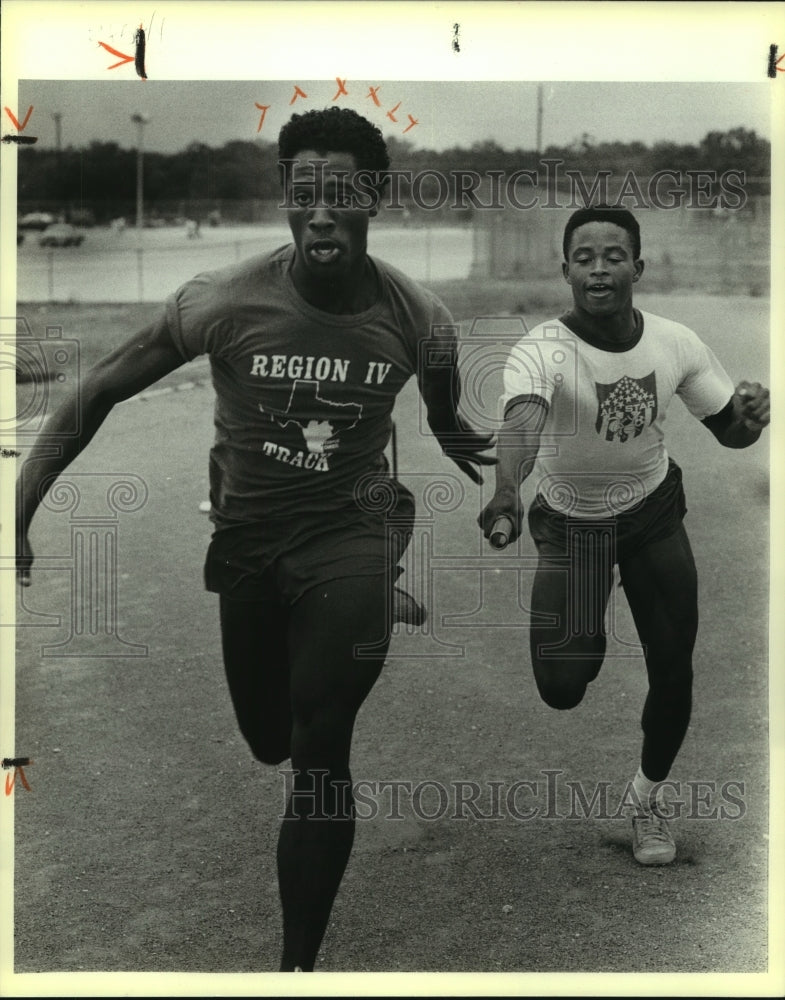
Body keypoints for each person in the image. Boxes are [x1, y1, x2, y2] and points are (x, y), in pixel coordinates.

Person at [16, 106, 494, 970]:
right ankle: (366, 602)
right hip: (247, 541)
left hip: (352, 530)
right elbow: (100, 389)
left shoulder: (417, 317)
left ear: (374, 198)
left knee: (317, 741)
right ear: (284, 195)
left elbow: (443, 412)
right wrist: (23, 495)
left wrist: (477, 450)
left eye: (341, 193)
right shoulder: (224, 300)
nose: (321, 213)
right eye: (304, 192)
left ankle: (296, 968)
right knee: (268, 737)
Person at [479, 205, 769, 865]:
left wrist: (751, 419)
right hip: (572, 527)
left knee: (672, 670)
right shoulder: (543, 349)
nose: (599, 268)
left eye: (613, 255)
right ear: (566, 271)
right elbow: (522, 423)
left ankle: (646, 800)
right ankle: (587, 614)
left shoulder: (674, 343)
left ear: (636, 267)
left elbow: (728, 429)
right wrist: (503, 491)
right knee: (561, 685)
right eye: (584, 257)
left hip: (649, 516)